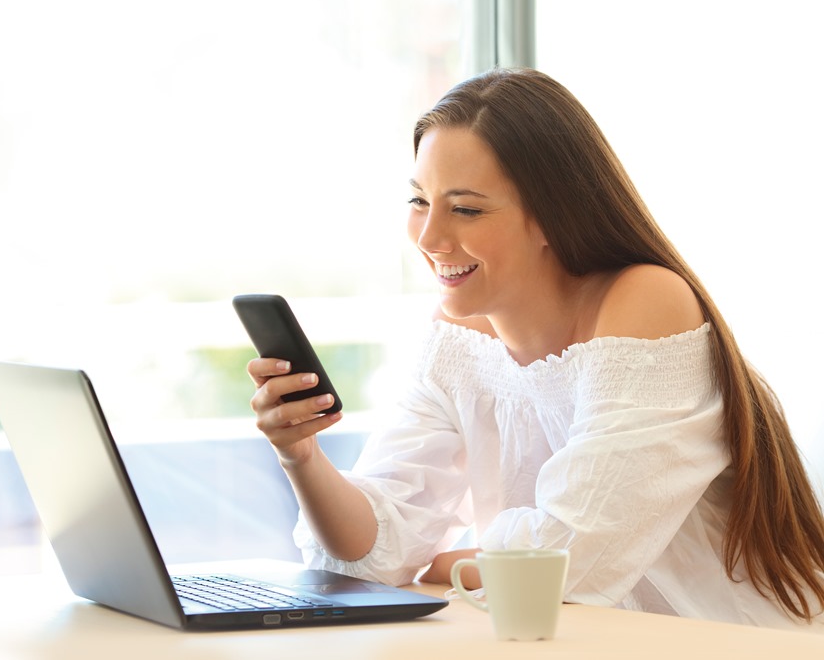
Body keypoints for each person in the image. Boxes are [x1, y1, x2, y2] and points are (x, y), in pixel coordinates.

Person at [245, 67, 824, 630]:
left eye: (466, 208)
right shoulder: (459, 340)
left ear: (554, 214)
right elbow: (374, 555)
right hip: (570, 641)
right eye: (420, 200)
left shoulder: (646, 298)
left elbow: (568, 560)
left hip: (726, 640)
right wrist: (301, 456)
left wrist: (448, 562)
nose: (429, 238)